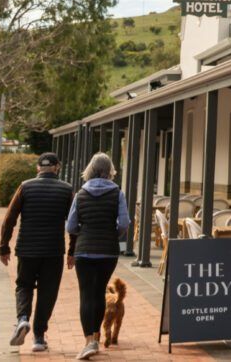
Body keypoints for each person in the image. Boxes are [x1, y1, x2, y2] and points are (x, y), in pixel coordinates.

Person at [0, 152, 73, 353]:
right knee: (48, 292)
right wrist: (72, 250)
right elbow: (74, 224)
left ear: (38, 168)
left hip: (27, 249)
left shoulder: (25, 186)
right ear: (58, 167)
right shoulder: (66, 190)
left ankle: (22, 319)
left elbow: (9, 219)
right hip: (53, 251)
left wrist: (4, 247)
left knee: (24, 285)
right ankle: (39, 337)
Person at [66, 153, 130, 360]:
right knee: (100, 291)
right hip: (108, 251)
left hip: (84, 250)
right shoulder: (117, 193)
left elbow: (71, 225)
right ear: (110, 170)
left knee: (86, 295)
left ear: (90, 170)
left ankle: (89, 342)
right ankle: (95, 335)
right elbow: (124, 224)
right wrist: (113, 234)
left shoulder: (80, 194)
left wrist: (83, 231)